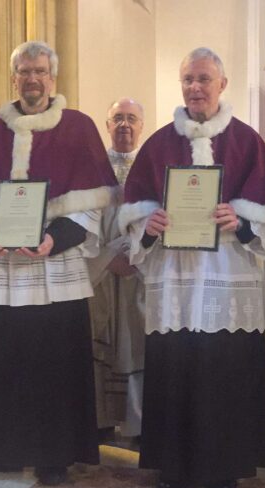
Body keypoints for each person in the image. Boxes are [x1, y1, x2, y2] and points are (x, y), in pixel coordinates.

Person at [0, 41, 118, 486]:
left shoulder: (78, 128)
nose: (32, 79)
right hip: (0, 268)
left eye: (40, 71)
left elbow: (92, 205)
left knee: (54, 364)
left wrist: (55, 239)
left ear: (53, 78)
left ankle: (54, 455)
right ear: (13, 77)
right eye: (24, 71)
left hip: (54, 266)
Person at [119, 47, 265, 488]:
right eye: (188, 80)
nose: (195, 88)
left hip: (226, 276)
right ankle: (172, 465)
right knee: (173, 366)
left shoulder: (247, 142)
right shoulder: (158, 144)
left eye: (203, 79)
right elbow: (134, 218)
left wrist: (242, 221)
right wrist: (148, 226)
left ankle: (223, 465)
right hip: (173, 280)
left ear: (222, 84)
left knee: (225, 371)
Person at [88, 97, 146, 440]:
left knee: (136, 343)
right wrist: (107, 258)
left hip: (139, 270)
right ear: (107, 126)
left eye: (132, 119)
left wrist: (138, 255)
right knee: (102, 339)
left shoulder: (153, 167)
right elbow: (82, 221)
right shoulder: (91, 169)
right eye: (118, 118)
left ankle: (138, 422)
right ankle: (101, 419)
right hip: (101, 270)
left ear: (142, 126)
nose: (125, 125)